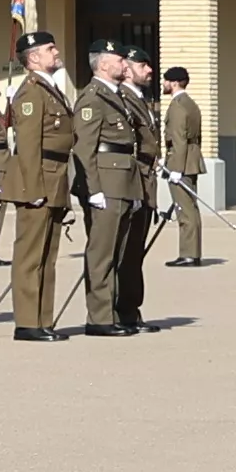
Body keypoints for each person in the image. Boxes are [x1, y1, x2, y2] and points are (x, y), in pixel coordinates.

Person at [0, 32, 74, 341]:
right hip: (39, 176)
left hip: (55, 173)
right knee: (31, 254)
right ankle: (28, 322)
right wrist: (33, 189)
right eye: (49, 49)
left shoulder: (51, 88)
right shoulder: (31, 92)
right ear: (33, 58)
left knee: (48, 254)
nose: (56, 52)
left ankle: (43, 319)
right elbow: (28, 145)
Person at [71, 41, 149, 335]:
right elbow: (85, 148)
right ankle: (100, 317)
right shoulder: (93, 97)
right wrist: (93, 189)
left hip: (125, 182)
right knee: (102, 253)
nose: (124, 65)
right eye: (118, 61)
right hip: (106, 182)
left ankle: (116, 312)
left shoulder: (117, 96)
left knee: (120, 253)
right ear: (103, 64)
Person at [157, 66, 208, 264]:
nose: (164, 84)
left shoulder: (177, 106)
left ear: (174, 82)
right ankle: (192, 252)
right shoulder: (191, 104)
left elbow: (178, 139)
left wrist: (176, 168)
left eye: (166, 81)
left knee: (184, 209)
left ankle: (189, 254)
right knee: (191, 208)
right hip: (190, 159)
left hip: (181, 162)